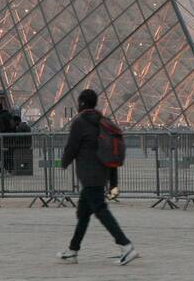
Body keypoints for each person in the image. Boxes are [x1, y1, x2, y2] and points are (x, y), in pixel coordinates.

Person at [57, 89, 138, 266]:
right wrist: (113, 183)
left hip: (89, 174)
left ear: (81, 103)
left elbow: (72, 146)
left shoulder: (80, 122)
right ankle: (72, 250)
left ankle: (126, 245)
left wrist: (63, 162)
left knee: (101, 210)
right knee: (84, 213)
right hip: (102, 172)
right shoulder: (102, 121)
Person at [0, 103, 14, 174]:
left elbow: (1, 127)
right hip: (11, 137)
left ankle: (3, 170)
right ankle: (10, 169)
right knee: (9, 153)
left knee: (2, 154)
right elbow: (12, 124)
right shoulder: (8, 114)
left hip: (3, 138)